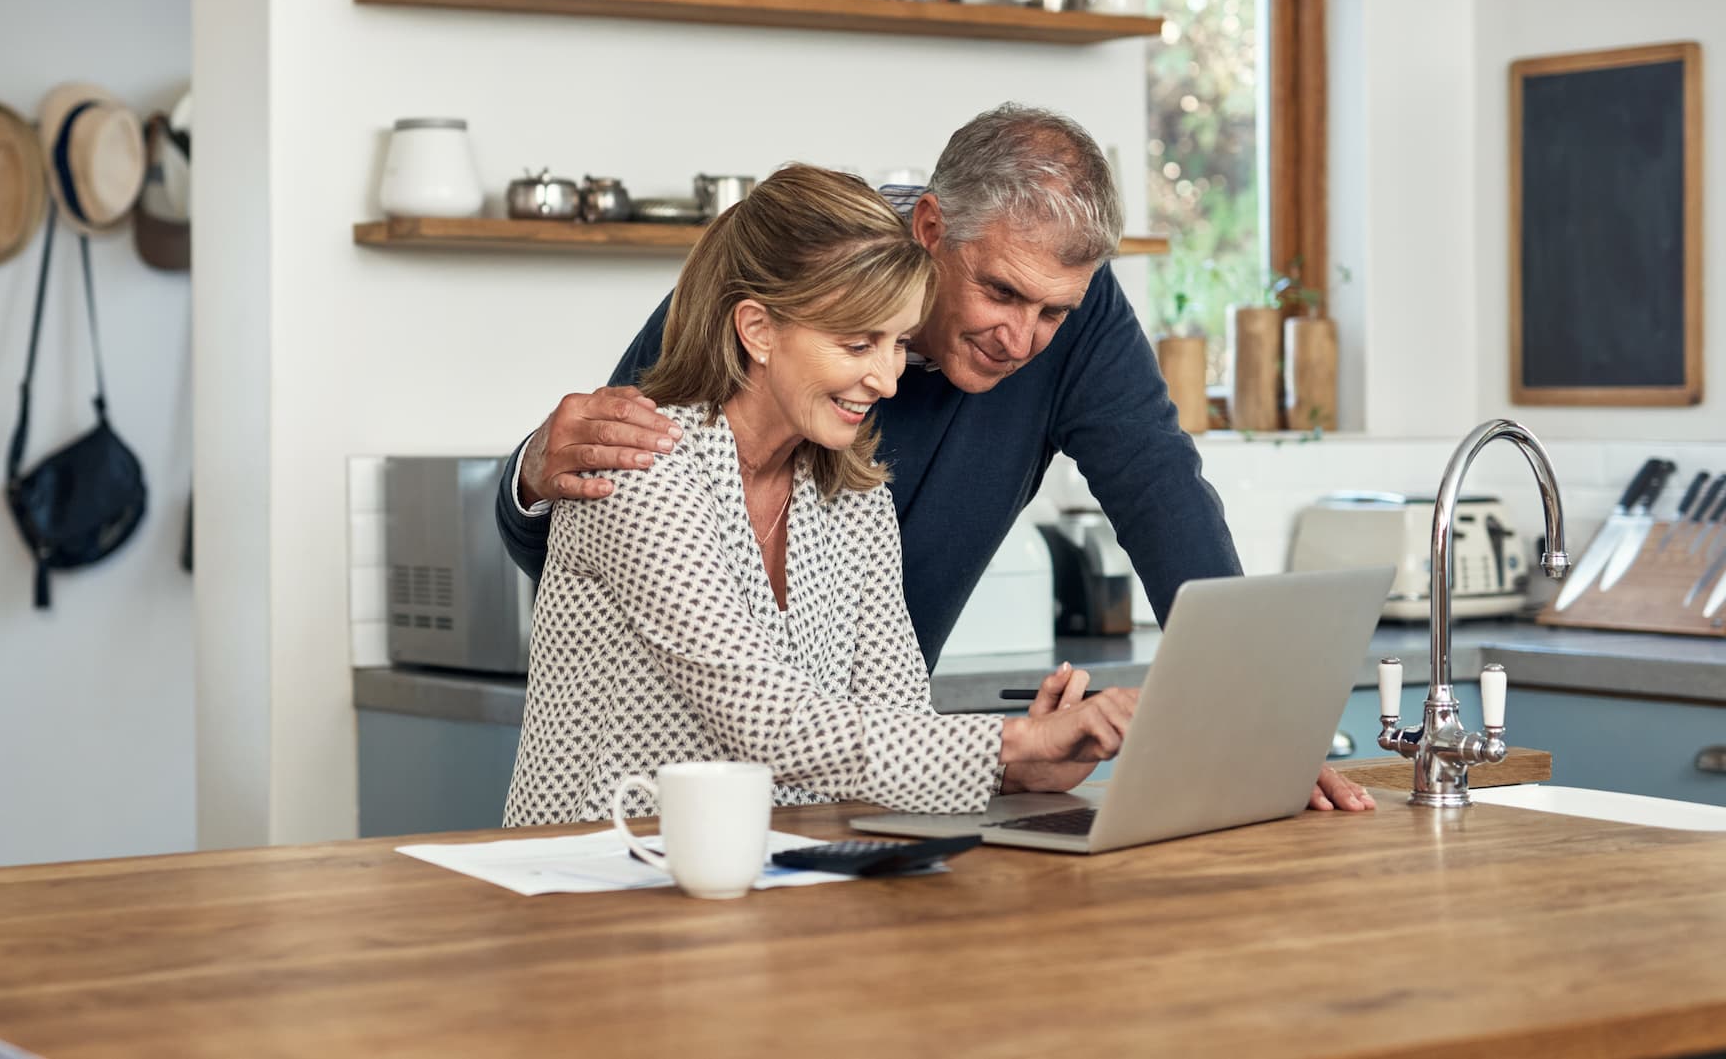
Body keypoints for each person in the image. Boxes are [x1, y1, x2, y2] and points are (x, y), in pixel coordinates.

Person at [499, 104, 1372, 813]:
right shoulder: (777, 287)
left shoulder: (854, 483)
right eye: (1000, 292)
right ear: (929, 229)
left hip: (797, 837)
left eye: (1052, 312)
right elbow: (606, 482)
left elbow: (1160, 490)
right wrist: (537, 471)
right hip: (607, 848)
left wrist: (1259, 727)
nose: (1023, 338)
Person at [504, 166, 1138, 825]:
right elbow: (768, 720)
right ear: (758, 329)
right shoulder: (644, 468)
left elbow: (893, 729)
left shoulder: (853, 494)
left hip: (771, 883)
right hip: (591, 879)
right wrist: (1013, 741)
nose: (888, 379)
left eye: (897, 343)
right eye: (858, 342)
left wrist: (1019, 768)